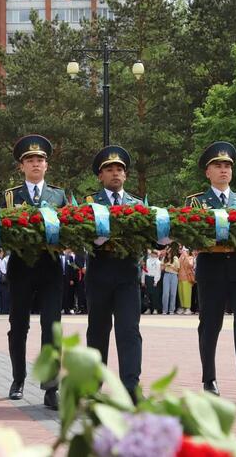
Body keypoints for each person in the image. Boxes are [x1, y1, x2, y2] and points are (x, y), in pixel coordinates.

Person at [185, 141, 236, 404]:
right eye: (218, 166)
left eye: (227, 166)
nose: (224, 170)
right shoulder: (196, 202)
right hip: (212, 267)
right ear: (207, 172)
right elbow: (190, 235)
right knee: (210, 325)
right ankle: (209, 379)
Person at [1, 135, 67, 409]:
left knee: (51, 327)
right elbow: (0, 230)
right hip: (21, 267)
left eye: (40, 159)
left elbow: (69, 228)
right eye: (30, 160)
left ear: (46, 165)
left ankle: (51, 388)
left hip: (50, 266)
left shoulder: (59, 196)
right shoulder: (10, 196)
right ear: (22, 166)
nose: (35, 164)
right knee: (18, 326)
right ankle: (18, 378)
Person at [83, 145, 144, 398]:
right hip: (99, 271)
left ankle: (130, 387)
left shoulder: (137, 204)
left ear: (126, 175)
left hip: (127, 272)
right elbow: (82, 236)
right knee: (98, 330)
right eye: (109, 169)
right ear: (101, 176)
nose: (115, 173)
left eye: (120, 169)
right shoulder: (90, 204)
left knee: (129, 330)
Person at [161, 247, 180, 315]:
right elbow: (161, 268)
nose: (168, 252)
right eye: (167, 251)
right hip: (166, 275)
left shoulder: (175, 258)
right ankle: (164, 310)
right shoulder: (164, 258)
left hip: (174, 275)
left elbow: (178, 270)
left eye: (169, 250)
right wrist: (166, 265)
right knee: (165, 293)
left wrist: (171, 266)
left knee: (173, 294)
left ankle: (171, 310)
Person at [143, 250, 162, 315]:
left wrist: (156, 281)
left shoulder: (158, 262)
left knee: (155, 295)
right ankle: (148, 308)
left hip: (154, 279)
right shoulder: (147, 261)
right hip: (147, 278)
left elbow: (158, 272)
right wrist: (143, 280)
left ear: (157, 254)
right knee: (147, 294)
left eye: (154, 253)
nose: (153, 254)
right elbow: (144, 270)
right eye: (152, 253)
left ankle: (155, 309)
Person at [177, 248, 195, 315]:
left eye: (184, 251)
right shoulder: (180, 258)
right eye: (182, 251)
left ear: (187, 251)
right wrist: (181, 257)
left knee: (186, 293)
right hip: (180, 278)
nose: (183, 252)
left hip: (187, 278)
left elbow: (190, 265)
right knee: (181, 293)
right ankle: (182, 307)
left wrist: (186, 257)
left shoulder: (190, 258)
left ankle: (188, 308)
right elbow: (177, 265)